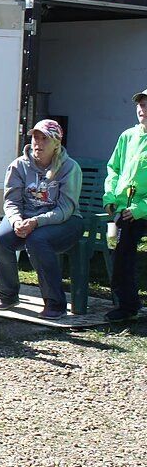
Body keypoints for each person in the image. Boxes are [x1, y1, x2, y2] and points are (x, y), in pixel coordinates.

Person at [0, 119, 83, 319]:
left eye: (44, 139)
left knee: (37, 240)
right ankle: (6, 294)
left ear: (56, 143)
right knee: (0, 239)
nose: (37, 143)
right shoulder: (18, 165)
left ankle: (55, 303)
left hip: (64, 221)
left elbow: (65, 209)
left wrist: (36, 222)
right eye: (35, 138)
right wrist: (16, 221)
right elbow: (11, 202)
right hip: (25, 217)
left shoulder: (69, 167)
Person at [101, 89, 147, 321]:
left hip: (142, 210)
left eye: (146, 105)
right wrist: (110, 199)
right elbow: (114, 169)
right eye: (140, 104)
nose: (142, 109)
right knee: (120, 253)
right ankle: (127, 305)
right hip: (125, 212)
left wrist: (140, 209)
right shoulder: (127, 136)